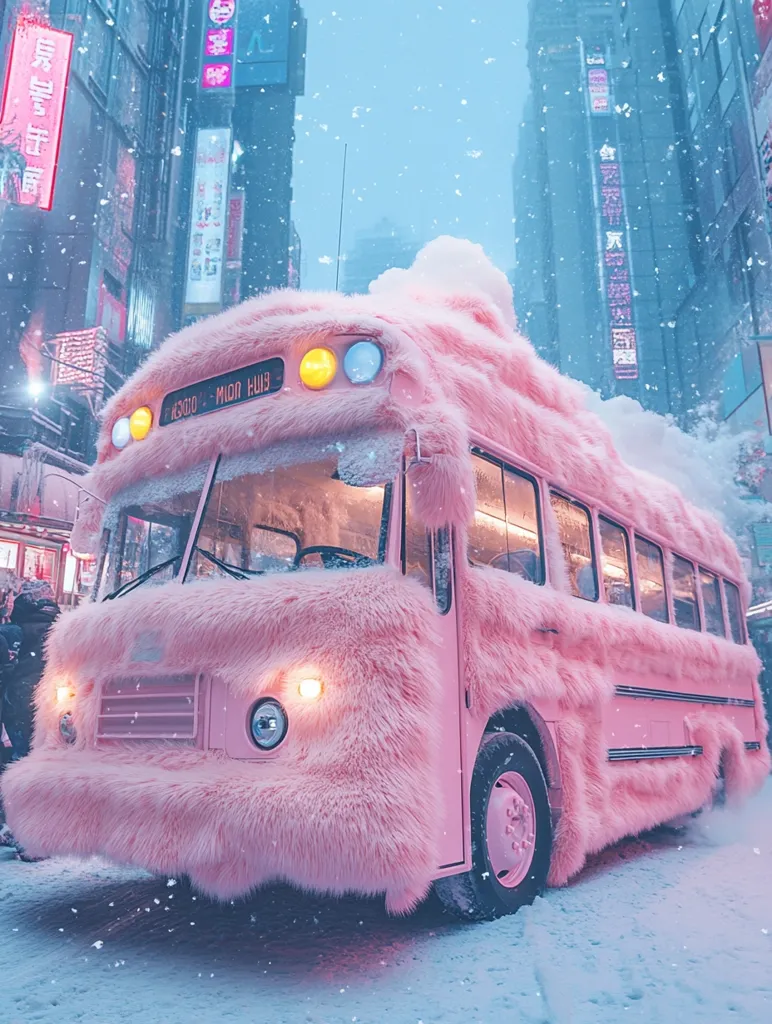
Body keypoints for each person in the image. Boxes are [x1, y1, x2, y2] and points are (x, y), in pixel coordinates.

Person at [0, 578, 59, 856]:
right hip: (49, 706)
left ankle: (18, 828)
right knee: (40, 769)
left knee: (19, 765)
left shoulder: (12, 630)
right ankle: (35, 836)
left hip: (14, 704)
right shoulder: (60, 629)